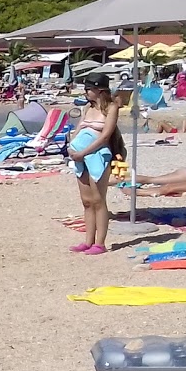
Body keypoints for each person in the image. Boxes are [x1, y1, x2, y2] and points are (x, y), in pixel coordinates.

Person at [68, 72, 125, 254]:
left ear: (99, 90)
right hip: (80, 157)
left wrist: (83, 152)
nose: (86, 93)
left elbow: (105, 135)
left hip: (98, 156)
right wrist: (71, 147)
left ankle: (100, 243)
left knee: (98, 200)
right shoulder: (87, 108)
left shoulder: (111, 108)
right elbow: (78, 129)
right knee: (87, 201)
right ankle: (88, 240)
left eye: (88, 89)